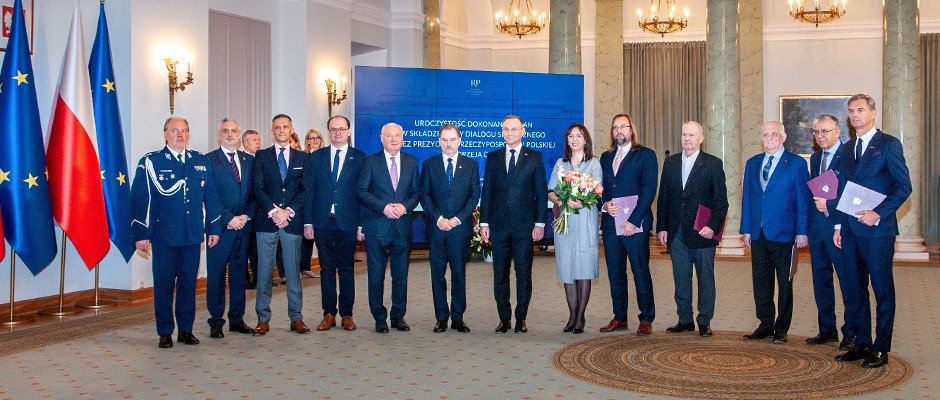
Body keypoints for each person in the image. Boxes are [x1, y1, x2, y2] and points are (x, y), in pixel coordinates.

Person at [832, 94, 912, 368]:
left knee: (882, 289)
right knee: (855, 290)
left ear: (873, 113)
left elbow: (903, 187)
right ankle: (862, 342)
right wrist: (840, 225)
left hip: (878, 231)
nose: (855, 115)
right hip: (851, 231)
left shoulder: (889, 145)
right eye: (851, 111)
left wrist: (878, 212)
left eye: (861, 110)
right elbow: (844, 189)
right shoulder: (847, 148)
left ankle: (881, 347)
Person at [131, 116, 221, 348]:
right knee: (163, 284)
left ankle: (185, 330)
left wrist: (213, 227)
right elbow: (139, 199)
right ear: (165, 134)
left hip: (192, 236)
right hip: (164, 236)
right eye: (175, 131)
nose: (180, 135)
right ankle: (164, 331)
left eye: (184, 131)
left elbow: (211, 197)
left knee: (188, 284)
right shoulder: (151, 161)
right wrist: (140, 233)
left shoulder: (199, 162)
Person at [655, 121, 728, 337]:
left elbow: (721, 202)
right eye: (684, 134)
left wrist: (712, 227)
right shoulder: (671, 162)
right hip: (676, 232)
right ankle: (684, 319)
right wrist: (662, 228)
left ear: (701, 138)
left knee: (705, 278)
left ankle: (704, 321)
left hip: (703, 232)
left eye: (692, 135)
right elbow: (664, 198)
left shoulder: (713, 164)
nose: (687, 139)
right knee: (681, 278)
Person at [740, 121, 811, 344]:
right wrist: (746, 229)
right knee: (760, 281)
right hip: (758, 233)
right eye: (765, 134)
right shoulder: (752, 163)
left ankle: (781, 328)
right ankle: (765, 323)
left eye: (774, 134)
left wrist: (802, 231)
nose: (769, 138)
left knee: (785, 283)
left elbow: (803, 199)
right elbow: (748, 199)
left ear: (783, 136)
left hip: (785, 234)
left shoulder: (797, 164)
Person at [480, 115, 548, 334]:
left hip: (525, 226)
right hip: (499, 226)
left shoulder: (534, 157)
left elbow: (540, 192)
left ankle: (521, 318)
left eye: (514, 129)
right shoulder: (493, 157)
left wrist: (540, 223)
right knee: (500, 273)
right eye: (506, 129)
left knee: (523, 272)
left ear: (523, 131)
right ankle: (504, 318)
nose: (509, 133)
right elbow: (487, 191)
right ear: (502, 131)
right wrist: (484, 222)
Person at [304, 116, 366, 332]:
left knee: (347, 269)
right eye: (333, 129)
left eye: (341, 129)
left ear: (349, 131)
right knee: (327, 269)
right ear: (328, 132)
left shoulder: (360, 158)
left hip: (348, 222)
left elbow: (362, 193)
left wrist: (361, 226)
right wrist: (308, 222)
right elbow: (310, 191)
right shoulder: (316, 157)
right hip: (322, 222)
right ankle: (329, 313)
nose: (337, 133)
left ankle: (347, 314)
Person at [251, 113, 311, 335]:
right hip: (267, 222)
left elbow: (306, 189)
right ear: (272, 131)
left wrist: (288, 212)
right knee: (264, 272)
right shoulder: (262, 156)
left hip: (292, 222)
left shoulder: (302, 158)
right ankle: (263, 318)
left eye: (285, 127)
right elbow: (257, 188)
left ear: (291, 129)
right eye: (278, 127)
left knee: (293, 272)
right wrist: (274, 211)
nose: (282, 130)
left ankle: (296, 318)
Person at [598, 113, 658, 336]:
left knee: (640, 271)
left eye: (623, 126)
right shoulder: (605, 157)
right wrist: (605, 205)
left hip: (635, 224)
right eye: (615, 127)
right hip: (612, 225)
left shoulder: (645, 155)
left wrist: (634, 220)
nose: (619, 131)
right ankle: (619, 317)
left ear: (632, 129)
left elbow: (649, 190)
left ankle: (646, 318)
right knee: (615, 272)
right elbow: (600, 189)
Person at [357, 122, 420, 333]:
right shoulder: (370, 161)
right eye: (389, 136)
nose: (394, 139)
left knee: (400, 275)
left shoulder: (411, 162)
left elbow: (416, 194)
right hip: (377, 226)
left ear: (403, 139)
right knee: (376, 275)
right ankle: (379, 318)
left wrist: (404, 206)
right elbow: (361, 192)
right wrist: (383, 207)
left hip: (402, 227)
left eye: (397, 136)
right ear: (381, 139)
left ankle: (398, 316)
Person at [419, 123, 480, 333]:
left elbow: (474, 197)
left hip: (459, 230)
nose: (448, 144)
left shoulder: (470, 165)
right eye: (444, 140)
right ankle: (441, 317)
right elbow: (424, 195)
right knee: (437, 274)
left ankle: (458, 317)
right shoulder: (429, 165)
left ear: (459, 140)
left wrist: (457, 219)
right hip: (436, 229)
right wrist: (438, 219)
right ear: (439, 141)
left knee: (458, 274)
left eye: (452, 139)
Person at [805, 115, 857, 349]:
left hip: (841, 228)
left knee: (847, 281)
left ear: (838, 131)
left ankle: (852, 331)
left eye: (825, 131)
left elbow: (851, 193)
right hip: (817, 229)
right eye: (817, 132)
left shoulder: (849, 155)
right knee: (821, 280)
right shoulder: (816, 158)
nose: (821, 136)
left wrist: (835, 216)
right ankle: (827, 329)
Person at [205, 117, 256, 338]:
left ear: (239, 134)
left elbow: (256, 193)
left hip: (243, 227)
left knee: (239, 275)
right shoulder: (209, 160)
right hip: (220, 228)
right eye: (225, 130)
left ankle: (237, 318)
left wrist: (246, 216)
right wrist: (228, 218)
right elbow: (209, 196)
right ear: (219, 134)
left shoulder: (249, 160)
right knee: (216, 276)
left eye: (234, 130)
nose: (229, 134)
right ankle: (216, 321)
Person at [547, 124, 600, 335]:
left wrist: (580, 202)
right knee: (567, 267)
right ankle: (571, 315)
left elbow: (597, 191)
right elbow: (551, 191)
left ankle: (580, 317)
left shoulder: (593, 163)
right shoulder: (561, 164)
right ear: (567, 140)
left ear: (585, 139)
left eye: (579, 135)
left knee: (583, 267)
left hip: (585, 222)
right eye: (571, 136)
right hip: (565, 224)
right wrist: (561, 199)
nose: (575, 139)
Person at [299, 128, 326, 279]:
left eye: (317, 138)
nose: (314, 140)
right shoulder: (303, 157)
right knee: (303, 236)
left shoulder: (325, 156)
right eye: (311, 138)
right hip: (304, 200)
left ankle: (306, 267)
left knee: (312, 237)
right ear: (307, 140)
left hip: (320, 202)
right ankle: (298, 268)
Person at [241, 129, 262, 290]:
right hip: (243, 212)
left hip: (258, 211)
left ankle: (258, 278)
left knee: (256, 249)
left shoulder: (260, 159)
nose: (258, 143)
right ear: (245, 143)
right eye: (254, 140)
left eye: (258, 140)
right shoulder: (242, 161)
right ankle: (244, 278)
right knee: (243, 249)